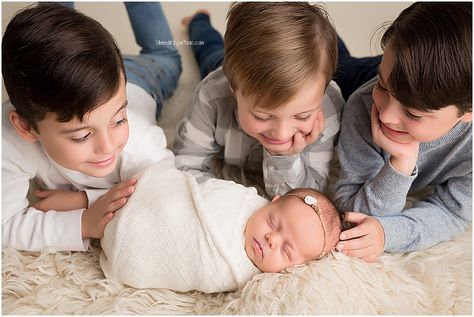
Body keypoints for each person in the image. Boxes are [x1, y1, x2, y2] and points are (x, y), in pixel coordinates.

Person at [2, 2, 182, 252]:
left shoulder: (139, 142)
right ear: (24, 127)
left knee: (166, 57)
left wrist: (83, 200)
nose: (109, 147)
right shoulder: (9, 137)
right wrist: (84, 222)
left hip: (141, 77)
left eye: (119, 121)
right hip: (74, 73)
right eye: (82, 136)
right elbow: (4, 224)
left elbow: (167, 195)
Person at [333, 2, 472, 262]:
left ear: (468, 112)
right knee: (327, 64)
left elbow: (453, 213)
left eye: (413, 114)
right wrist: (383, 88)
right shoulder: (365, 105)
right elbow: (350, 210)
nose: (385, 115)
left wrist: (388, 232)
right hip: (361, 77)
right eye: (383, 88)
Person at [173, 2, 344, 198]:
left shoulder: (329, 105)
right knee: (210, 52)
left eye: (303, 116)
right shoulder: (211, 96)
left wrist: (286, 157)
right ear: (233, 90)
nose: (281, 134)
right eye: (262, 116)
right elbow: (186, 168)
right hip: (221, 71)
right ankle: (198, 21)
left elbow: (309, 196)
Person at [100, 163, 345, 293]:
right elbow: (201, 190)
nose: (272, 239)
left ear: (295, 268)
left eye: (287, 251)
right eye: (273, 222)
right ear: (273, 201)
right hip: (141, 197)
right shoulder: (239, 201)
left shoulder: (250, 279)